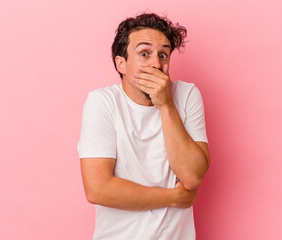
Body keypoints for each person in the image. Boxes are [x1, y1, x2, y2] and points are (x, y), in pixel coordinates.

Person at [77, 12, 210, 240]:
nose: (156, 64)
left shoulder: (187, 95)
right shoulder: (102, 102)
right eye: (144, 53)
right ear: (122, 64)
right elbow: (98, 189)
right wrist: (174, 197)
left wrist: (166, 105)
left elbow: (193, 176)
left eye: (163, 55)